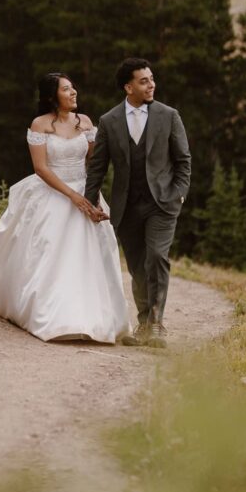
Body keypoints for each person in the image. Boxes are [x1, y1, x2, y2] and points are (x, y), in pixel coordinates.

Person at [0, 72, 131, 343]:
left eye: (73, 87)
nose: (74, 92)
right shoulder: (40, 124)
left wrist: (91, 196)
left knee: (91, 255)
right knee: (49, 251)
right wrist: (72, 197)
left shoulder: (85, 122)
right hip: (52, 192)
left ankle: (95, 319)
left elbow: (94, 163)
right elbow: (41, 168)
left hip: (85, 190)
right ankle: (52, 316)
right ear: (52, 96)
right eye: (66, 89)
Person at [85, 58, 191, 348]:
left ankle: (156, 323)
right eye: (144, 81)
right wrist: (90, 200)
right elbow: (98, 166)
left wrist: (178, 194)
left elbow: (183, 161)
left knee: (156, 257)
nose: (151, 84)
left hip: (162, 204)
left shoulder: (169, 115)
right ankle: (144, 324)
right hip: (127, 206)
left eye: (152, 79)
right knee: (137, 266)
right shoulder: (109, 121)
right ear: (128, 87)